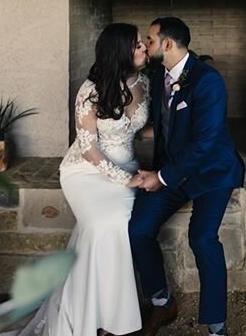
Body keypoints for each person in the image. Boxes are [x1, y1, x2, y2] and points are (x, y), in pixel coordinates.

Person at [17, 22, 150, 336]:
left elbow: (137, 128)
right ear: (121, 52)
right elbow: (90, 149)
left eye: (143, 42)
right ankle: (91, 320)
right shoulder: (90, 91)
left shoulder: (143, 81)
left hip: (127, 166)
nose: (144, 47)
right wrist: (125, 180)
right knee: (106, 225)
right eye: (137, 44)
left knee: (112, 228)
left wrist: (180, 133)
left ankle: (108, 316)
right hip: (86, 174)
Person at [130, 17, 245, 336]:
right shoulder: (157, 75)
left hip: (211, 170)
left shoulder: (208, 80)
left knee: (202, 238)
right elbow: (169, 121)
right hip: (174, 169)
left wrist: (161, 177)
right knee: (138, 228)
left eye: (150, 40)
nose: (146, 45)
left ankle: (217, 326)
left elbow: (205, 143)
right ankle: (161, 300)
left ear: (167, 44)